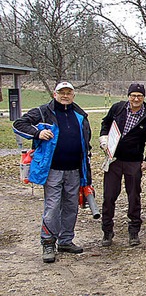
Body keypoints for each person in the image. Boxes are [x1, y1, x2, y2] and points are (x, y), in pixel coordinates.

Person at [13, 81, 91, 263]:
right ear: (54, 95)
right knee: (53, 206)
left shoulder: (80, 115)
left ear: (73, 95)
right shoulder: (43, 112)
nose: (65, 95)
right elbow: (19, 124)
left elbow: (85, 141)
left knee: (71, 206)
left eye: (68, 93)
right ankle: (48, 242)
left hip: (74, 169)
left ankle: (65, 240)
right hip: (53, 169)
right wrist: (37, 133)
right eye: (61, 92)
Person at [99, 83, 146, 247]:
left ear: (144, 97)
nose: (136, 99)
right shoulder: (117, 108)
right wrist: (104, 138)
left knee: (134, 197)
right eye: (133, 95)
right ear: (128, 96)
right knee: (109, 196)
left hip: (134, 162)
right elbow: (105, 123)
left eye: (139, 96)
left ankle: (133, 232)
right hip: (114, 160)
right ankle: (107, 231)